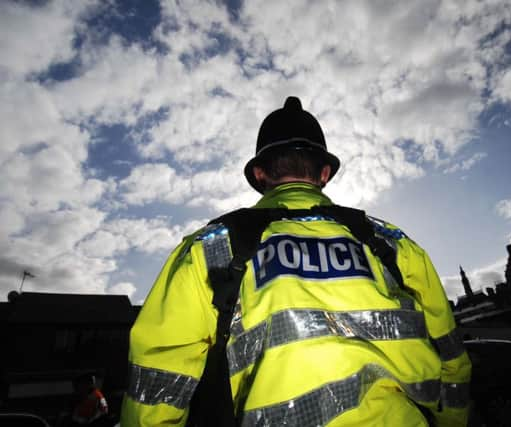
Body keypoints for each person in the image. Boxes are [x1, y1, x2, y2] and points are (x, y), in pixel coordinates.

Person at [120, 97, 471, 426]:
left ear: (260, 175)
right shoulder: (393, 244)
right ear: (323, 175)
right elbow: (452, 359)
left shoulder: (208, 249)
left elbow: (158, 378)